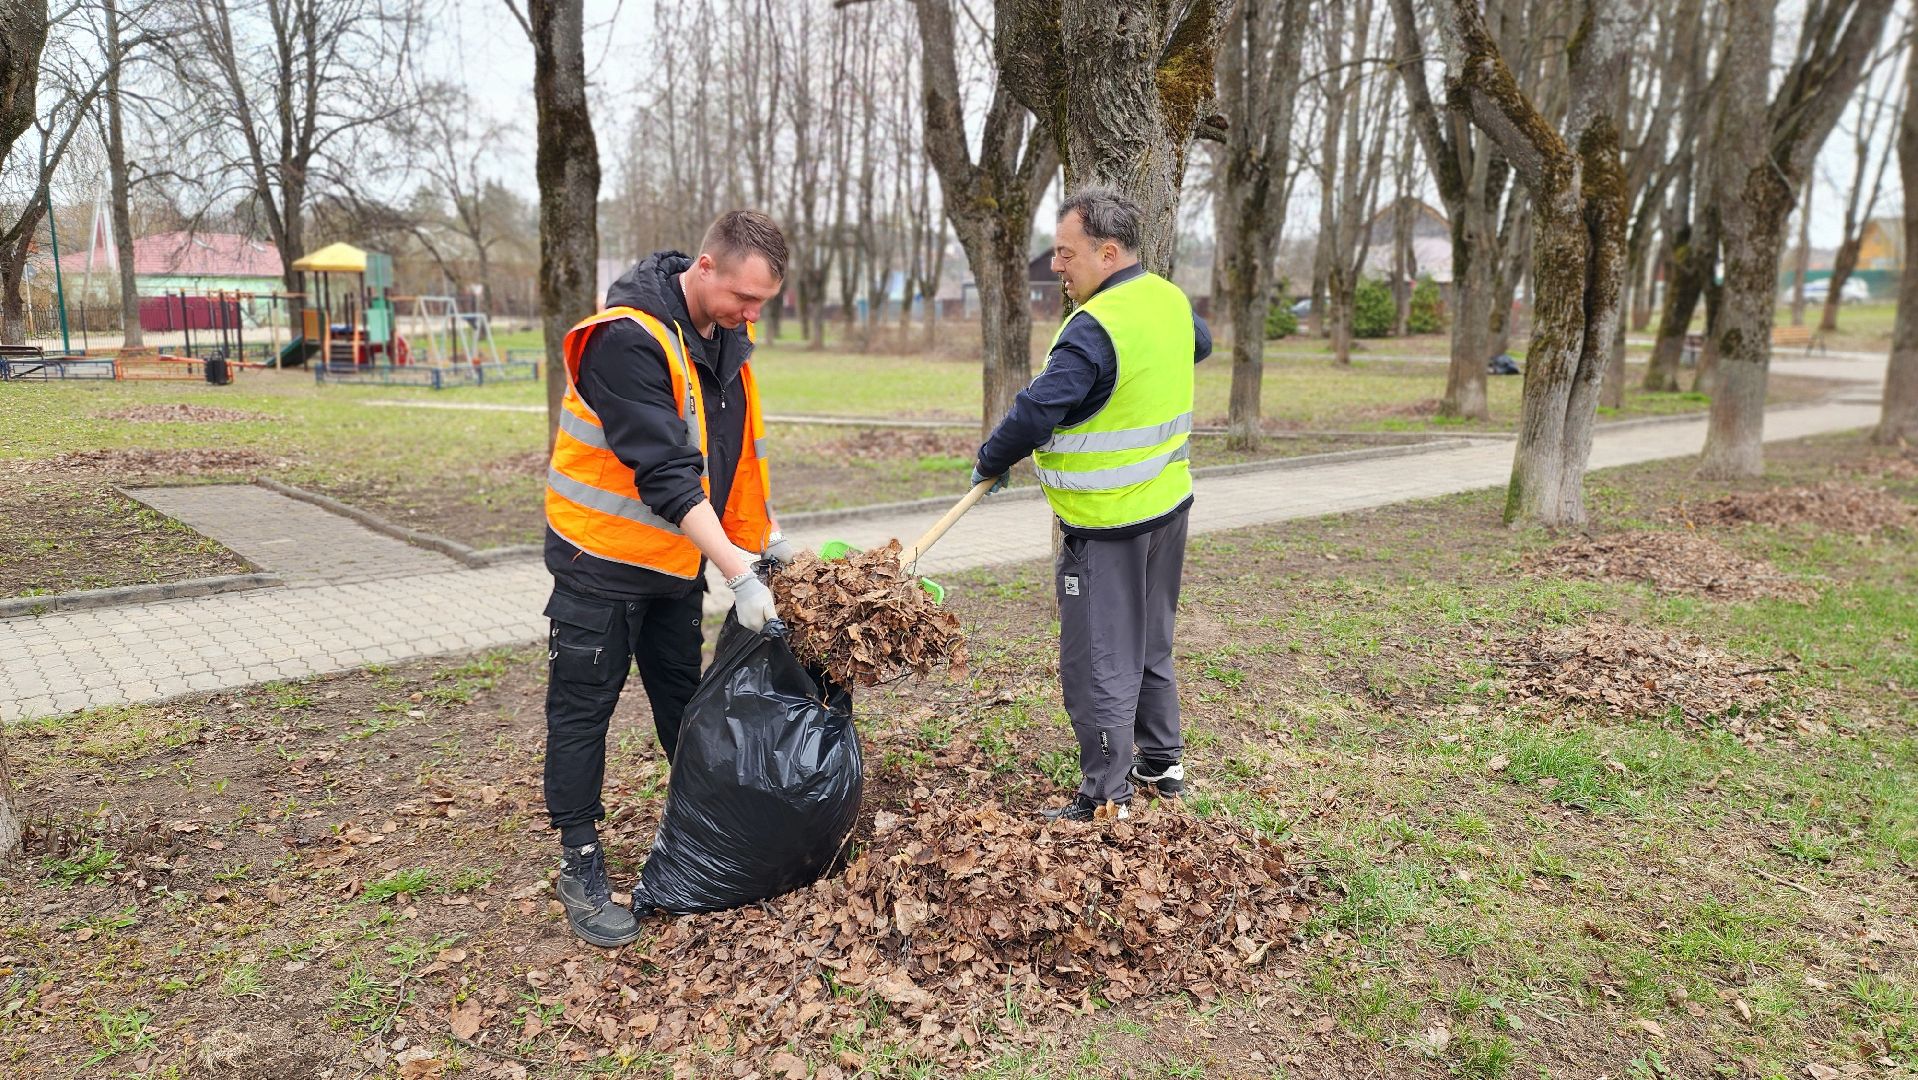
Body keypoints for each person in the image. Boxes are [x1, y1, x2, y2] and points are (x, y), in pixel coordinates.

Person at [541, 210, 802, 946]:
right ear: (707, 267)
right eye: (744, 298)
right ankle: (581, 860)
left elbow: (735, 463)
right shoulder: (625, 340)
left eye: (761, 305)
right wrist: (738, 574)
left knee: (684, 706)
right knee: (583, 711)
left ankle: (705, 828)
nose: (751, 315)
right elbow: (666, 471)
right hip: (599, 560)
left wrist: (767, 542)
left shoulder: (725, 350)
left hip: (673, 567)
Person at [971, 188, 1210, 823]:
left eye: (1066, 253)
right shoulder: (1168, 300)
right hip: (1168, 505)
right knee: (1151, 640)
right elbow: (1199, 346)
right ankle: (1162, 763)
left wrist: (991, 461)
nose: (1057, 265)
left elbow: (1036, 409)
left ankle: (1107, 793)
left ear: (1107, 252)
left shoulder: (1094, 329)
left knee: (1099, 657)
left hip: (1106, 525)